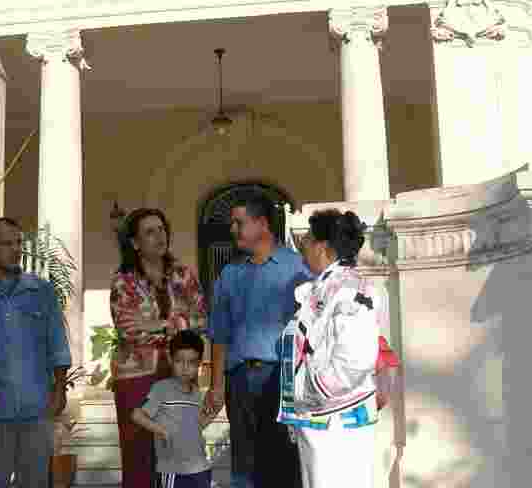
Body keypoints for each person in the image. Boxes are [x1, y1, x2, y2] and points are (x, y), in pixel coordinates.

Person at [204, 192, 310, 488]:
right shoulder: (229, 274)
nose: (232, 229)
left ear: (262, 223)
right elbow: (219, 332)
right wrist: (216, 384)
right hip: (238, 380)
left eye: (239, 222)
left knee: (283, 463)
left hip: (281, 379)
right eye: (231, 224)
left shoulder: (298, 269)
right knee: (244, 467)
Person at [0, 217, 72, 488]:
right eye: (6, 243)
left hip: (36, 408)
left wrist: (59, 390)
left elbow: (57, 343)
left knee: (35, 482)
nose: (15, 249)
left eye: (18, 242)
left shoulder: (41, 291)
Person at [278, 209, 381, 488]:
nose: (303, 248)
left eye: (308, 240)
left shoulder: (351, 290)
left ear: (322, 247)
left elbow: (355, 360)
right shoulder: (322, 289)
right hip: (318, 421)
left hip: (336, 422)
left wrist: (313, 391)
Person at [110, 208, 206, 488]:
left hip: (180, 376)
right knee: (139, 455)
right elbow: (129, 329)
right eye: (149, 232)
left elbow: (202, 318)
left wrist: (157, 324)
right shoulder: (123, 281)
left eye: (161, 229)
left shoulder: (183, 275)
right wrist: (178, 324)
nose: (159, 236)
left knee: (179, 451)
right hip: (136, 378)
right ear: (136, 243)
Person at [131, 329, 213, 488]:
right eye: (179, 361)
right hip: (172, 469)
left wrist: (214, 410)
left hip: (200, 467)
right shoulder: (161, 389)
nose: (185, 367)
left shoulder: (198, 394)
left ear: (199, 364)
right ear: (170, 359)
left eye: (192, 362)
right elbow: (137, 415)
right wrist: (161, 430)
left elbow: (198, 425)